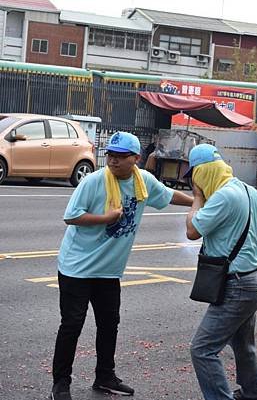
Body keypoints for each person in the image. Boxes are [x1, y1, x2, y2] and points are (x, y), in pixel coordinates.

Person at [50, 131, 194, 400]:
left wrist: (200, 201)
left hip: (108, 271)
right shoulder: (94, 181)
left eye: (120, 157)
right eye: (110, 156)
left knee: (109, 323)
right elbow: (71, 217)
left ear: (135, 159)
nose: (113, 162)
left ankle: (105, 376)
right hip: (76, 268)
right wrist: (107, 217)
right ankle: (61, 384)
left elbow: (168, 195)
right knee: (71, 324)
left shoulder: (143, 181)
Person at [184, 143, 257, 400]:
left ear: (203, 173)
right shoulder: (246, 190)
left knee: (202, 349)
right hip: (254, 281)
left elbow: (192, 230)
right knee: (243, 344)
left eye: (193, 176)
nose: (192, 183)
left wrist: (198, 198)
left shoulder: (222, 197)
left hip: (237, 286)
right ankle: (252, 394)